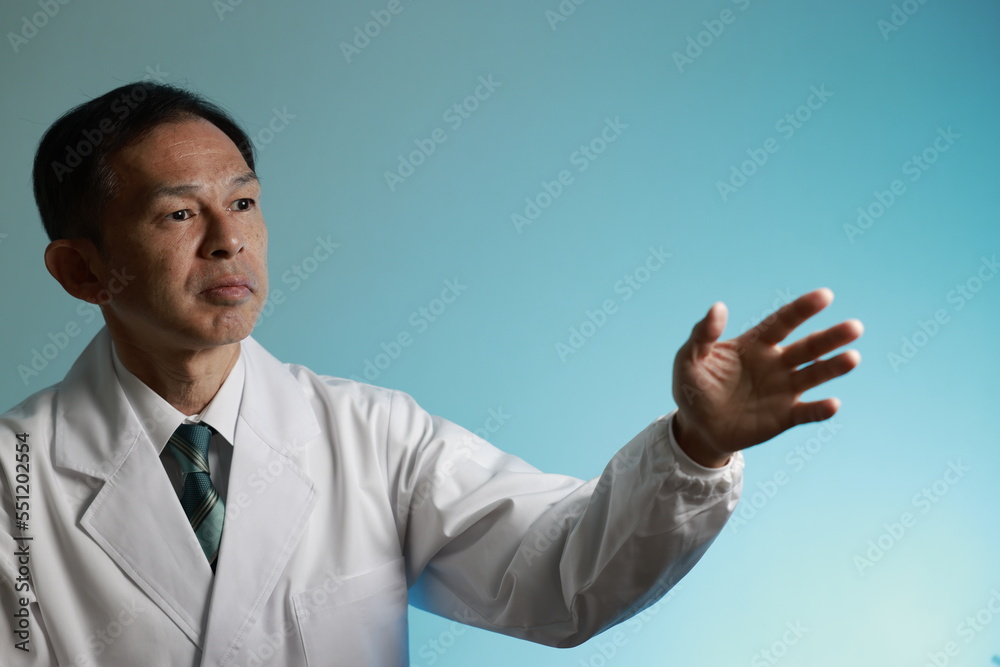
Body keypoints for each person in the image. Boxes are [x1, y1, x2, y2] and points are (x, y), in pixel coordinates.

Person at [0, 81, 863, 666]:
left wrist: (695, 447)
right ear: (82, 270)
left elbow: (564, 576)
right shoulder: (15, 480)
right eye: (179, 214)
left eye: (245, 201)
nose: (229, 240)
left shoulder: (373, 435)